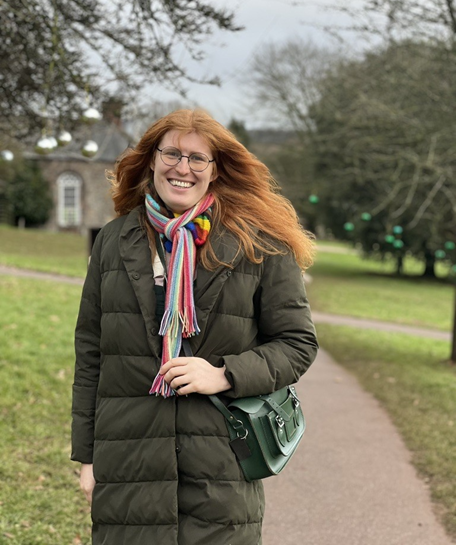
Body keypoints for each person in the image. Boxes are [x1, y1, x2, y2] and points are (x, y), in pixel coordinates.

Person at [71, 109, 318, 545]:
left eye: (196, 158)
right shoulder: (113, 240)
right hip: (128, 462)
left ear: (215, 169)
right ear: (151, 160)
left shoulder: (259, 243)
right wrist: (88, 459)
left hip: (218, 469)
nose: (181, 168)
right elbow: (92, 353)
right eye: (171, 153)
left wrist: (224, 374)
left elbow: (297, 344)